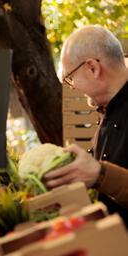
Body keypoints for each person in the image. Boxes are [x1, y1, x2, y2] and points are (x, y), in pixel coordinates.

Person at [45, 25, 128, 225]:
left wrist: (100, 175)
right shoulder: (107, 109)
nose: (71, 86)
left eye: (69, 77)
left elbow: (103, 176)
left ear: (93, 67)